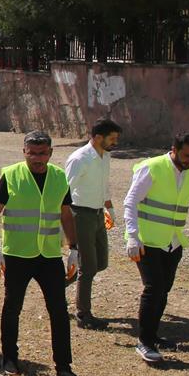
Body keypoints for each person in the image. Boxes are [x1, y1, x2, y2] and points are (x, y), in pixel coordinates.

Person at [0, 130, 83, 376]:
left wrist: (74, 249)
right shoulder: (11, 175)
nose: (38, 158)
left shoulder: (59, 177)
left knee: (59, 311)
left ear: (50, 153)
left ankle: (64, 369)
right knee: (12, 307)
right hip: (17, 254)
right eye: (33, 153)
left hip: (49, 255)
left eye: (43, 153)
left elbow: (66, 215)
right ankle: (9, 359)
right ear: (24, 152)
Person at [122, 131, 189, 364]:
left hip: (173, 242)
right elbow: (130, 202)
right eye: (187, 155)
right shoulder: (152, 167)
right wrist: (133, 237)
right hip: (147, 241)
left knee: (164, 289)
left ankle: (153, 335)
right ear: (174, 149)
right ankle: (144, 342)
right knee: (154, 287)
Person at [63, 118, 122, 330]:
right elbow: (65, 190)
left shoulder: (105, 155)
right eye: (112, 138)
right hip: (81, 215)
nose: (115, 142)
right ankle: (83, 315)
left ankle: (58, 286)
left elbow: (103, 185)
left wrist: (109, 208)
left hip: (97, 215)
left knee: (100, 263)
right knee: (88, 267)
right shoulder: (80, 158)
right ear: (97, 137)